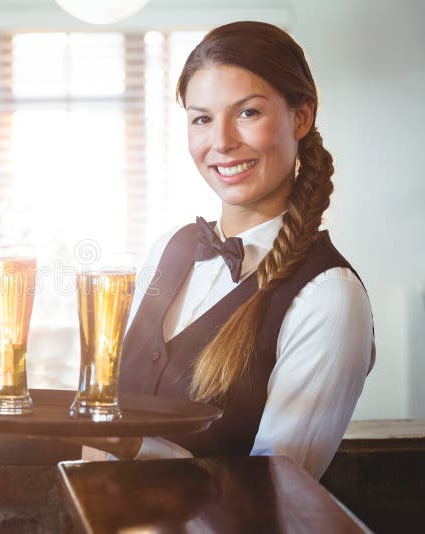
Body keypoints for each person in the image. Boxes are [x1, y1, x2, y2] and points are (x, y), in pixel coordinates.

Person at [116, 20, 375, 480]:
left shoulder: (330, 297)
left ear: (301, 117)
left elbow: (277, 487)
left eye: (248, 113)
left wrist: (133, 446)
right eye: (202, 119)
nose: (221, 142)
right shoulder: (167, 249)